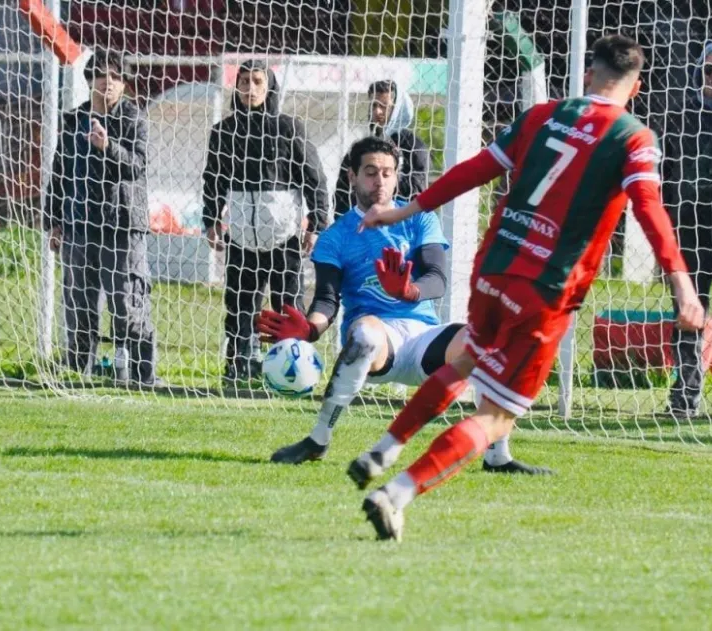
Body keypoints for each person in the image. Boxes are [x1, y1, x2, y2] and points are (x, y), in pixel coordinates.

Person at [349, 35, 705, 541]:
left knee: (467, 360)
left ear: (588, 75)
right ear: (637, 87)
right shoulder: (632, 136)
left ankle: (382, 450)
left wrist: (404, 209)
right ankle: (396, 493)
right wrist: (682, 286)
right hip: (545, 289)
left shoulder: (541, 115)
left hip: (493, 269)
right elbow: (649, 208)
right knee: (496, 417)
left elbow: (476, 169)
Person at [258, 136, 549, 475]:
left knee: (487, 341)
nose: (379, 181)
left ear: (397, 176)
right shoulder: (335, 237)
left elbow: (437, 279)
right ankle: (318, 440)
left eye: (387, 173)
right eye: (370, 172)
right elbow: (326, 299)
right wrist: (311, 329)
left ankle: (498, 456)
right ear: (352, 176)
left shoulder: (419, 220)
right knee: (365, 334)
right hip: (378, 342)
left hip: (424, 338)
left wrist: (409, 291)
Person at [202, 60, 330, 383]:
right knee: (239, 306)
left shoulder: (289, 128)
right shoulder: (223, 132)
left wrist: (317, 224)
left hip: (284, 237)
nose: (250, 88)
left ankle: (290, 371)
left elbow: (315, 179)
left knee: (288, 307)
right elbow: (213, 180)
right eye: (244, 81)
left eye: (257, 81)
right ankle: (239, 366)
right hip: (241, 236)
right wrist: (211, 219)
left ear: (269, 87)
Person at [42, 50, 157, 387]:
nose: (109, 82)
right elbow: (60, 172)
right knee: (78, 302)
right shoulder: (73, 120)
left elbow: (137, 166)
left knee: (128, 302)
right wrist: (54, 220)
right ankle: (79, 371)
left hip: (122, 225)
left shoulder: (134, 118)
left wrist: (108, 147)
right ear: (90, 79)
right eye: (102, 75)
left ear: (125, 83)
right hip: (79, 225)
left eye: (117, 76)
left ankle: (142, 374)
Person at [652, 40, 712, 419]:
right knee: (689, 312)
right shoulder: (680, 116)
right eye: (709, 69)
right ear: (698, 72)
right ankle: (684, 397)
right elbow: (665, 174)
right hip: (689, 226)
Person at [333, 80, 429, 219]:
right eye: (374, 105)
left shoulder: (413, 146)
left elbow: (417, 190)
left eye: (384, 106)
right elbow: (342, 192)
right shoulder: (361, 148)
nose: (377, 111)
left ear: (398, 109)